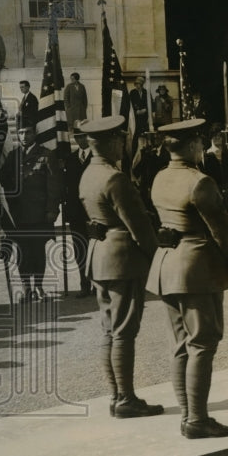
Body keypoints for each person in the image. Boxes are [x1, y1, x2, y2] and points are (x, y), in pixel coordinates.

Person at [147, 119, 228, 439]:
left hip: (167, 266)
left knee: (181, 345)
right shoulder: (200, 182)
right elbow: (222, 231)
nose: (203, 147)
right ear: (189, 146)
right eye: (199, 143)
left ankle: (189, 413)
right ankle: (197, 419)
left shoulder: (160, 177)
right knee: (203, 342)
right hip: (197, 269)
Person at [78, 116, 163, 419]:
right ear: (110, 142)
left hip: (99, 255)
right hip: (122, 259)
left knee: (109, 330)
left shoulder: (88, 174)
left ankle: (116, 394)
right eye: (118, 139)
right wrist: (158, 259)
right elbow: (139, 226)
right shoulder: (115, 178)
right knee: (125, 331)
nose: (122, 144)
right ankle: (126, 397)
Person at [0, 125, 63, 303]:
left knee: (38, 251)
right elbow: (2, 179)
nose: (24, 136)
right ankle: (27, 289)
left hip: (40, 215)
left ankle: (39, 287)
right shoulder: (13, 156)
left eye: (28, 132)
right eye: (20, 133)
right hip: (18, 216)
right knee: (22, 253)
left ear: (35, 134)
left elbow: (54, 186)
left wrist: (52, 210)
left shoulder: (46, 155)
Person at [63, 122, 94, 296]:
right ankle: (84, 284)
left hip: (93, 212)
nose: (81, 139)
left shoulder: (96, 158)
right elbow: (66, 187)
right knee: (79, 249)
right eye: (78, 137)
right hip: (76, 213)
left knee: (95, 249)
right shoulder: (70, 159)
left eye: (84, 136)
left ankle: (97, 284)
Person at [128, 76, 150, 143]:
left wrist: (146, 110)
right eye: (136, 84)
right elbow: (130, 104)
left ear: (142, 84)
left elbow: (150, 104)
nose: (137, 86)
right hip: (136, 118)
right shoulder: (132, 92)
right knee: (136, 135)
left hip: (144, 118)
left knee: (145, 135)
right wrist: (136, 111)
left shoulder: (146, 92)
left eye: (139, 84)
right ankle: (135, 151)